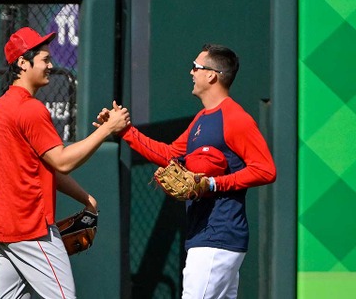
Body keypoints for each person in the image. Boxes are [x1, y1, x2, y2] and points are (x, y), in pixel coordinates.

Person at [95, 44, 276, 298]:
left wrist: (214, 184)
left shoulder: (235, 118)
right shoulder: (202, 117)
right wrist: (125, 131)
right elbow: (169, 154)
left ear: (212, 75)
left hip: (218, 235)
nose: (191, 72)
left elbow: (265, 170)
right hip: (205, 234)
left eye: (196, 67)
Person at [0, 27, 130, 299]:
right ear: (22, 63)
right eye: (44, 59)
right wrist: (107, 129)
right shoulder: (30, 109)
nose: (51, 65)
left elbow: (45, 168)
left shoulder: (3, 106)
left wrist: (85, 197)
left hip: (2, 229)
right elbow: (62, 162)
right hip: (30, 229)